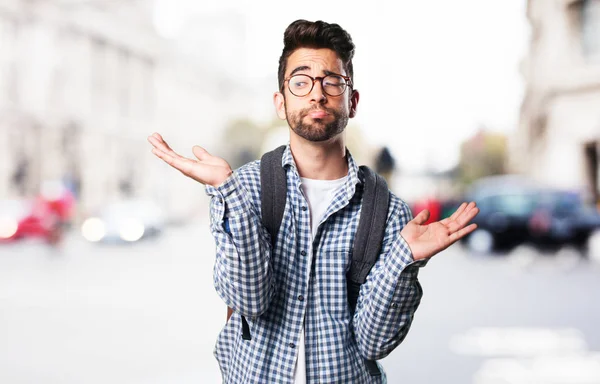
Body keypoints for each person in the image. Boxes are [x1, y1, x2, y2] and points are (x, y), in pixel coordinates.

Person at [148, 19, 479, 384]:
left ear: (352, 102)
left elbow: (374, 342)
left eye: (332, 82)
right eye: (301, 82)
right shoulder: (243, 188)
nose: (317, 94)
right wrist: (229, 193)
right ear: (281, 101)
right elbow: (251, 302)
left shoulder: (386, 212)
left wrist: (405, 258)